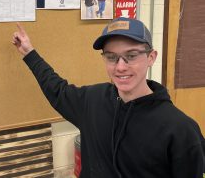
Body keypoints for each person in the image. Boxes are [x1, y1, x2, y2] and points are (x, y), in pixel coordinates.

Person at [12, 17, 205, 178]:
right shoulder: (92, 100)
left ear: (151, 57)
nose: (120, 67)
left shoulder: (181, 130)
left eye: (131, 55)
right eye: (111, 57)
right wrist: (30, 53)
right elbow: (57, 89)